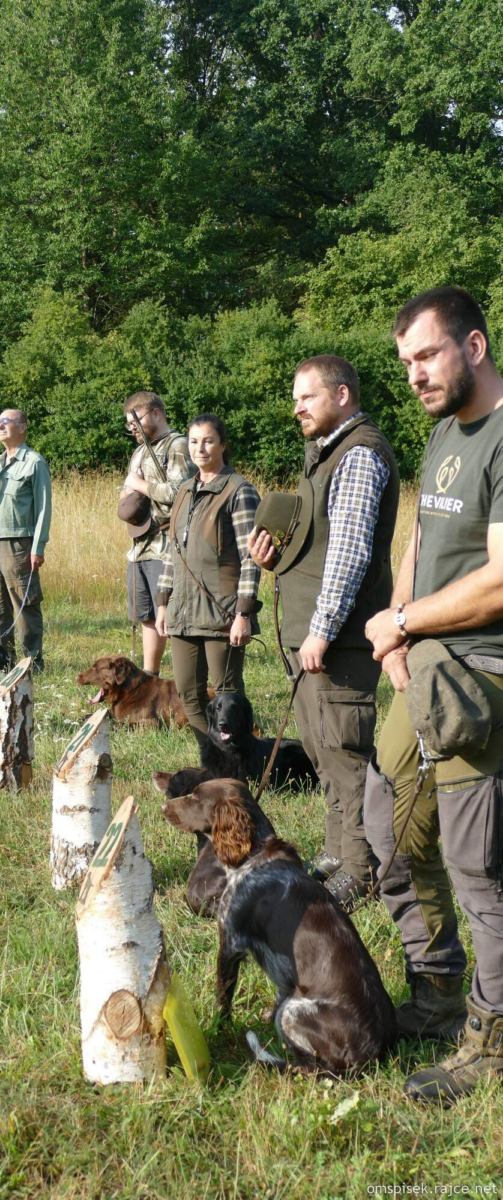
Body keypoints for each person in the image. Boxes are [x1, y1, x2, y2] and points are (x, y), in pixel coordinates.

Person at [364, 287, 503, 1104]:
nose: (414, 375)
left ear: (475, 346)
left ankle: (489, 1038)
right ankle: (439, 986)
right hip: (421, 666)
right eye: (406, 362)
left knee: (476, 868)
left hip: (480, 679)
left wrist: (405, 618)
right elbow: (422, 535)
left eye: (427, 356)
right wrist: (398, 632)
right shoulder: (445, 434)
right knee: (386, 824)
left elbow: (499, 581)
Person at [248, 356, 400, 911]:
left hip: (338, 640)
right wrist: (273, 558)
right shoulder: (324, 456)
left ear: (341, 394)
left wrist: (321, 630)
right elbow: (317, 551)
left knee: (345, 753)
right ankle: (339, 853)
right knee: (322, 750)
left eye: (306, 397)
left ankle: (360, 873)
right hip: (315, 638)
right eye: (295, 398)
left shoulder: (358, 455)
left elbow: (351, 554)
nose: (296, 407)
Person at [155, 414, 261, 751]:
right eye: (194, 441)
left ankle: (245, 763)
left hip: (223, 613)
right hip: (182, 613)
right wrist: (162, 603)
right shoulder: (185, 490)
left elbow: (251, 557)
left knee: (228, 698)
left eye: (208, 441)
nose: (200, 448)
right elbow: (173, 552)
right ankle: (216, 758)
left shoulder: (239, 491)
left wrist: (243, 613)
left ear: (223, 445)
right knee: (189, 695)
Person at [0, 408, 51, 672]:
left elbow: (43, 509)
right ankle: (3, 662)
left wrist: (37, 548)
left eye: (6, 421)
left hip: (19, 544)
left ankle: (31, 664)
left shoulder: (34, 462)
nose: (0, 425)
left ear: (23, 427)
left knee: (25, 605)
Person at [121, 392, 194, 674]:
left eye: (136, 421)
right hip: (139, 546)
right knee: (147, 616)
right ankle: (150, 677)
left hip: (166, 545)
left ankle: (184, 684)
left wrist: (140, 486)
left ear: (155, 413)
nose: (133, 428)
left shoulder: (178, 445)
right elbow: (130, 489)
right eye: (129, 425)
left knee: (171, 615)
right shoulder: (140, 451)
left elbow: (180, 491)